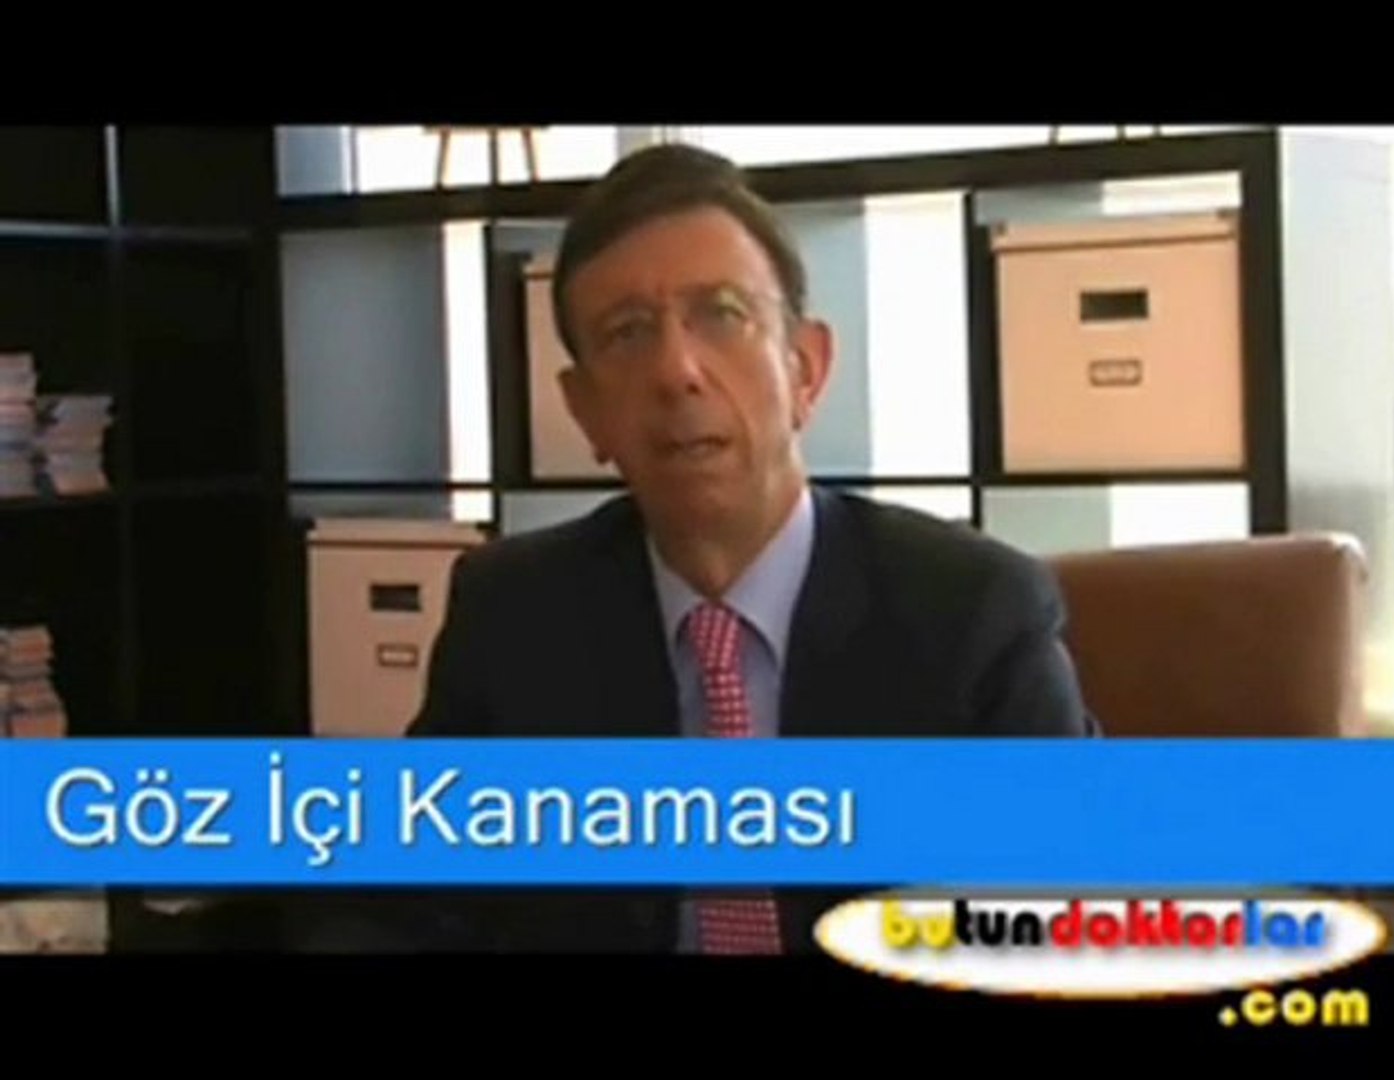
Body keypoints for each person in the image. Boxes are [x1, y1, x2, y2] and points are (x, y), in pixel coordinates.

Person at [293, 142, 1099, 955]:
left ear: (806, 370)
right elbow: (398, 902)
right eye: (627, 333)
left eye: (721, 314)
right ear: (585, 411)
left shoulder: (971, 615)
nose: (676, 370)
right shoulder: (512, 615)